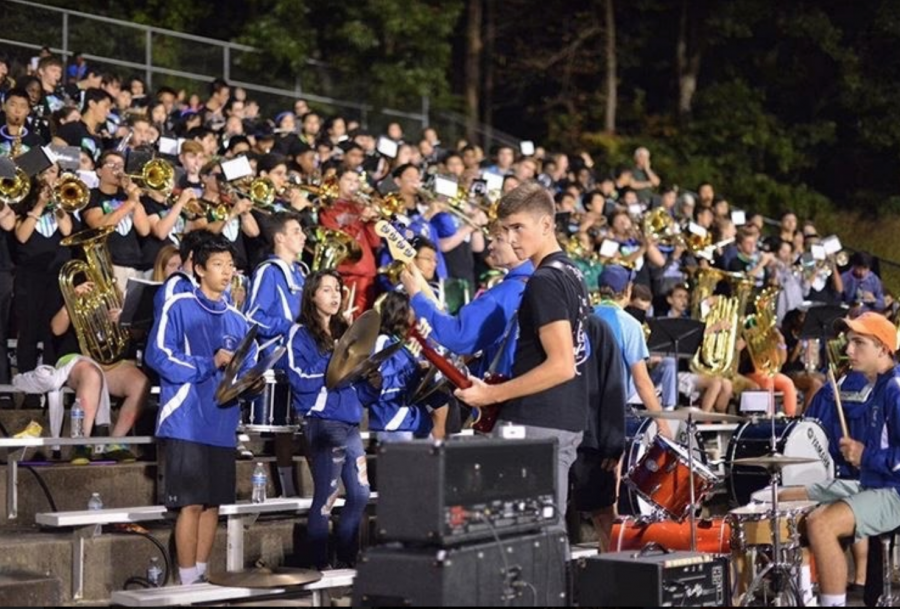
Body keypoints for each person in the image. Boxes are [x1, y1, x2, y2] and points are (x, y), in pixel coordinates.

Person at [454, 182, 591, 532]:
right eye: (506, 229)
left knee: (518, 537)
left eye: (518, 228)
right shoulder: (572, 273)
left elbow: (562, 364)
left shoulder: (543, 280)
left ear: (546, 225)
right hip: (562, 419)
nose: (511, 238)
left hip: (536, 420)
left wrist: (490, 394)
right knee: (541, 533)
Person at [146, 235, 259, 586]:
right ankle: (185, 582)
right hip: (186, 421)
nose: (227, 272)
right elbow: (158, 355)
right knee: (191, 504)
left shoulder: (239, 321)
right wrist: (206, 364)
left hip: (222, 422)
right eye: (218, 265)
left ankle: (200, 577)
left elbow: (250, 367)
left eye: (231, 265)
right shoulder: (178, 306)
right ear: (198, 269)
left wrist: (252, 383)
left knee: (214, 506)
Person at [779, 312, 900, 607]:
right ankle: (804, 593)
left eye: (858, 343)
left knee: (821, 523)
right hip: (872, 482)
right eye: (848, 342)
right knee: (781, 498)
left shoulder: (895, 389)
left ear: (883, 349)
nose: (848, 350)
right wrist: (859, 457)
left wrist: (864, 455)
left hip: (894, 490)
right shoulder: (877, 388)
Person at [284, 270, 372, 569]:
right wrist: (334, 357)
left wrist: (371, 380)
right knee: (327, 495)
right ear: (311, 295)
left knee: (360, 494)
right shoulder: (299, 333)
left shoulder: (345, 332)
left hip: (349, 422)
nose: (335, 295)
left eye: (338, 289)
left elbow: (355, 384)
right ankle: (318, 563)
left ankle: (346, 556)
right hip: (323, 421)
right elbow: (299, 379)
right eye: (326, 290)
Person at [244, 211, 307, 494]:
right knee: (284, 432)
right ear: (279, 237)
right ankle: (288, 489)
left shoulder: (302, 273)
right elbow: (252, 316)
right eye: (296, 231)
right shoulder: (268, 271)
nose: (303, 236)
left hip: (303, 355)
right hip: (278, 355)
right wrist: (290, 326)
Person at [570, 313, 627, 551]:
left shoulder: (596, 327)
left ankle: (616, 577)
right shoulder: (544, 321)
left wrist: (613, 444)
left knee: (603, 516)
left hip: (590, 442)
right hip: (554, 433)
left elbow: (613, 386)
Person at [82, 150, 151, 292]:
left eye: (120, 165)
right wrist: (130, 203)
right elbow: (99, 226)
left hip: (134, 264)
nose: (117, 169)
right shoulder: (92, 195)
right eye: (112, 164)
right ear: (99, 171)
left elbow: (144, 229)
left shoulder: (127, 196)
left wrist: (133, 195)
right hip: (109, 263)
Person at [368, 292, 432, 442]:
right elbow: (377, 382)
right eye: (411, 308)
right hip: (393, 420)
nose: (415, 313)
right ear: (400, 312)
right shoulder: (382, 341)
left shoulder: (407, 342)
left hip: (413, 419)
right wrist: (414, 370)